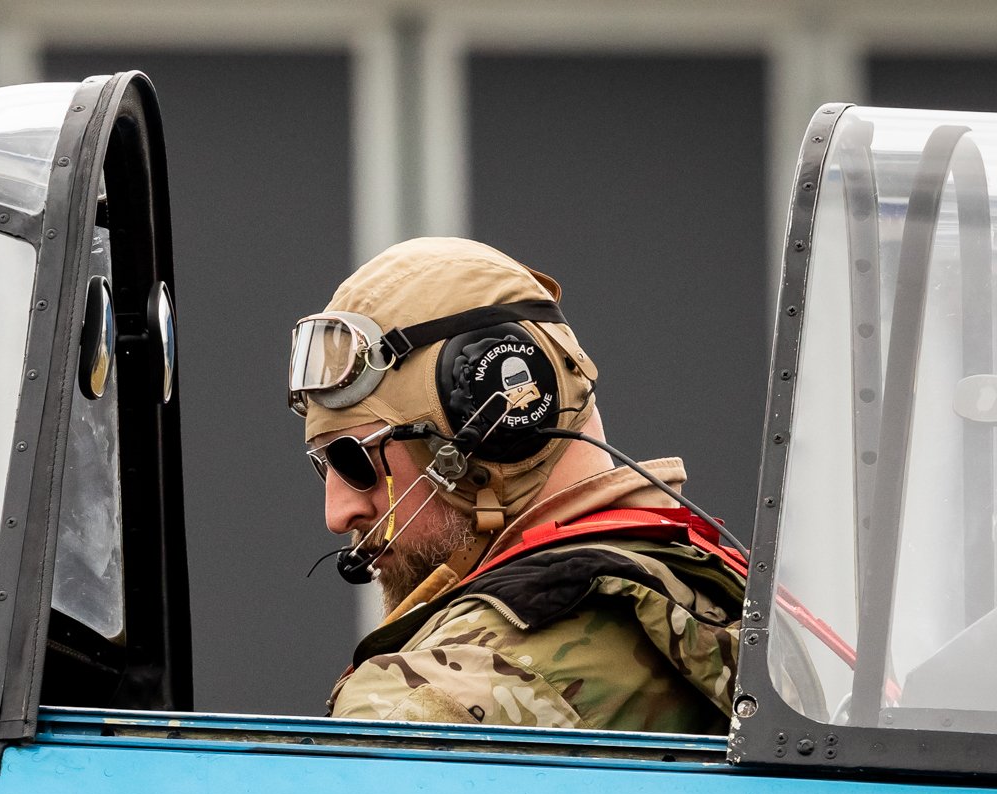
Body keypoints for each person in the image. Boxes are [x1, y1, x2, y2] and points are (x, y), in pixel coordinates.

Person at [288, 238, 744, 733]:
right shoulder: (717, 591)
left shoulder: (441, 692)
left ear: (492, 426)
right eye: (324, 466)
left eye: (354, 459)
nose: (338, 514)